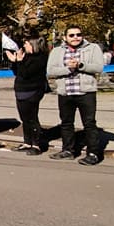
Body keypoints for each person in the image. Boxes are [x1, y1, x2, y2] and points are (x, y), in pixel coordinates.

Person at [46, 25, 103, 165]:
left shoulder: (92, 48)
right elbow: (50, 70)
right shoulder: (57, 51)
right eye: (71, 35)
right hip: (66, 92)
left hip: (86, 92)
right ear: (65, 38)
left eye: (78, 34)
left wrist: (80, 65)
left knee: (89, 123)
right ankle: (68, 150)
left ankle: (93, 153)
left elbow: (99, 67)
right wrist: (68, 69)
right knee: (66, 123)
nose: (76, 37)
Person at [6, 33, 49, 155]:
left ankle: (36, 144)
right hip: (21, 90)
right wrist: (14, 62)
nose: (24, 45)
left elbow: (26, 73)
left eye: (26, 43)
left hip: (33, 90)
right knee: (24, 118)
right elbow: (18, 72)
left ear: (33, 45)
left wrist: (19, 61)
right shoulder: (26, 56)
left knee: (32, 117)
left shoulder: (40, 58)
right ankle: (27, 142)